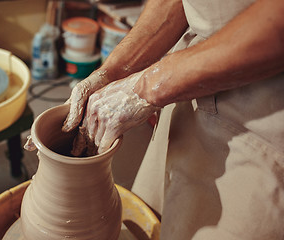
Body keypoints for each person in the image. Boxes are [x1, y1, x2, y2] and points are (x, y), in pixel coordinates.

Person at [63, 0, 284, 239]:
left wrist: (148, 88)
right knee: (151, 220)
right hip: (186, 76)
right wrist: (113, 72)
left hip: (261, 107)